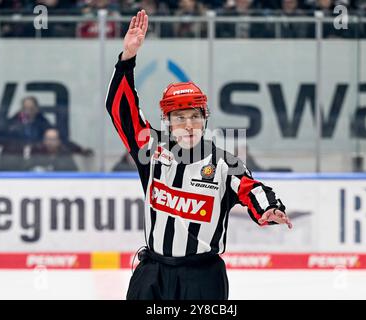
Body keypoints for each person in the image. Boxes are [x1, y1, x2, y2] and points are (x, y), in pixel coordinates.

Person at [106, 9, 292, 300]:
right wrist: (127, 58)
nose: (188, 125)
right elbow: (122, 112)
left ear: (205, 118)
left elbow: (252, 189)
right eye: (180, 118)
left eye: (194, 116)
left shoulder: (224, 163)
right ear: (168, 122)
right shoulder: (152, 150)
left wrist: (268, 209)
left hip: (203, 277)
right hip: (153, 273)